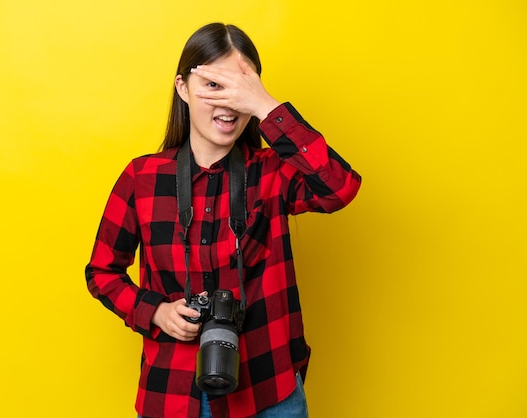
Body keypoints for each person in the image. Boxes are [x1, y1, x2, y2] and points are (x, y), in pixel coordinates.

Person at [85, 22, 362, 418]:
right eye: (214, 85)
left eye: (240, 87)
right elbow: (101, 272)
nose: (228, 103)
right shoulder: (141, 178)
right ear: (182, 88)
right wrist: (156, 311)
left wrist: (266, 106)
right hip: (172, 391)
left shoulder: (271, 172)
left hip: (267, 388)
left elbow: (340, 188)